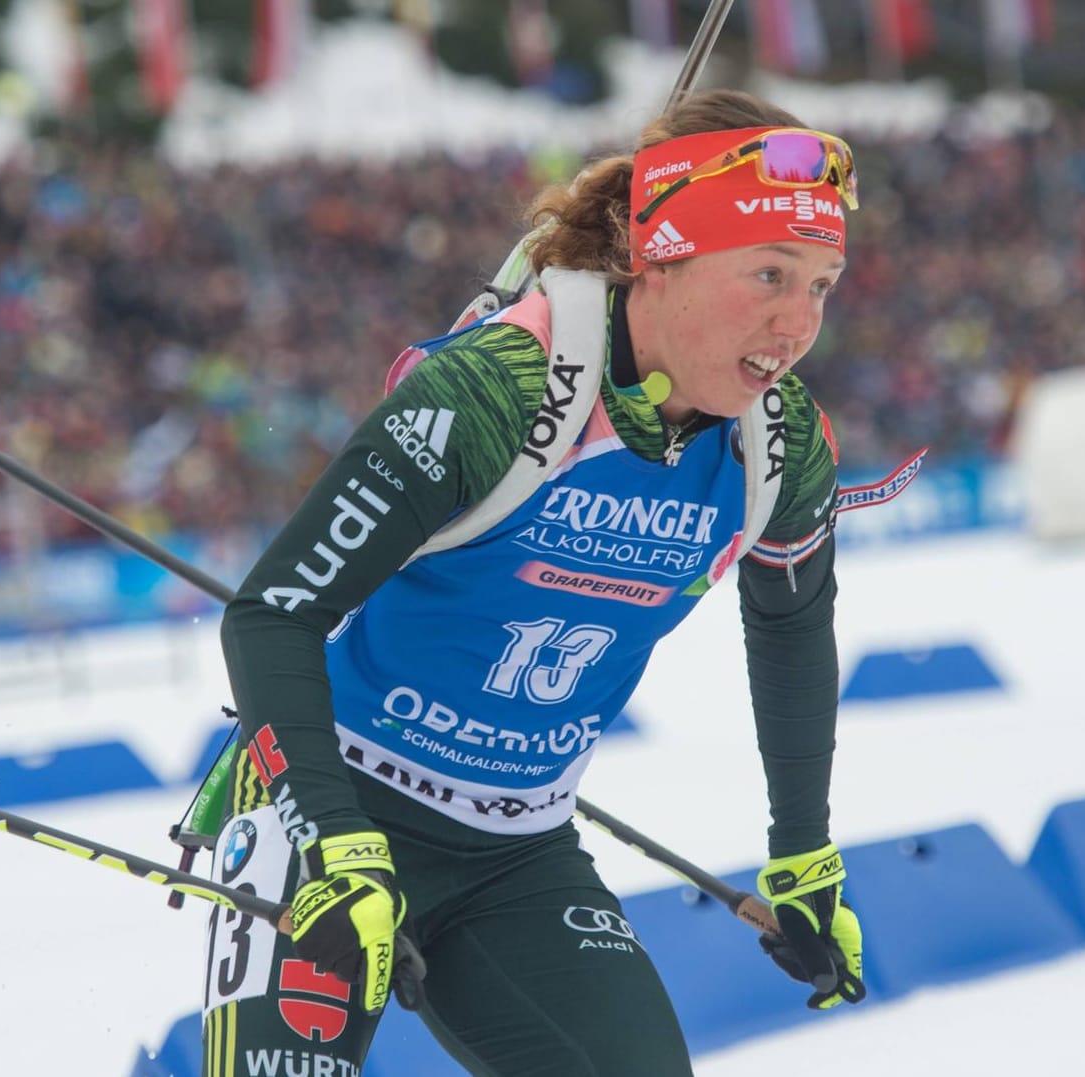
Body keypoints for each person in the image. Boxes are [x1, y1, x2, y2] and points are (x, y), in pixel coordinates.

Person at [199, 89, 865, 1076]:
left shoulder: (781, 443)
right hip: (325, 810)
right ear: (659, 256)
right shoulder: (495, 394)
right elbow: (273, 617)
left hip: (515, 851)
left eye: (820, 284)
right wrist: (336, 843)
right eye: (768, 273)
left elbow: (791, 631)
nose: (795, 320)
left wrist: (804, 856)